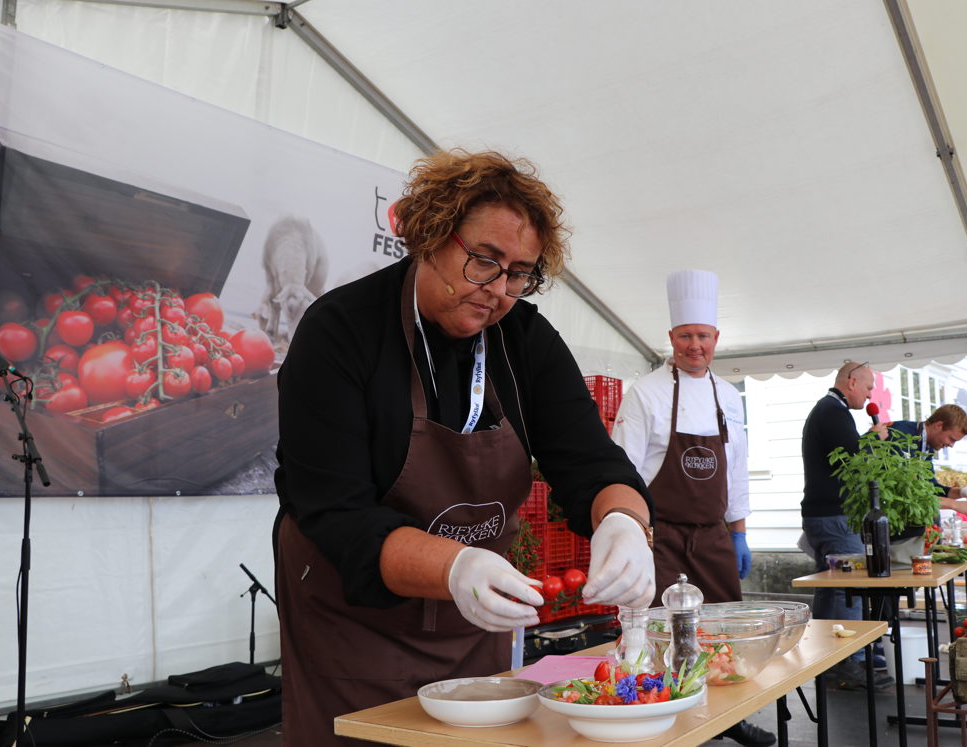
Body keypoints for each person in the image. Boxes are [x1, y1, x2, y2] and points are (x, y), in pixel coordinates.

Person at [272, 149, 656, 746]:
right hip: (354, 626)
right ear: (429, 234)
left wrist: (624, 522)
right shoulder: (341, 331)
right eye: (485, 261)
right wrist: (453, 565)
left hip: (473, 622)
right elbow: (336, 511)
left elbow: (592, 461)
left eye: (520, 272)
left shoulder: (523, 339)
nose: (499, 290)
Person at [612, 269, 775, 747]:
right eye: (685, 336)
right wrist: (632, 535)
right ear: (671, 337)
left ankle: (728, 717)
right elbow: (623, 471)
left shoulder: (728, 396)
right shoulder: (646, 392)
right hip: (659, 534)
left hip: (713, 535)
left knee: (722, 630)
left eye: (703, 336)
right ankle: (670, 722)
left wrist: (739, 532)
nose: (694, 345)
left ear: (716, 338)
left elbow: (737, 469)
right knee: (663, 634)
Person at [800, 361, 894, 690]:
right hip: (834, 516)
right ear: (851, 382)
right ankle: (847, 663)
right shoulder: (833, 412)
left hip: (823, 514)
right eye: (868, 387)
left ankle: (828, 661)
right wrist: (874, 439)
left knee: (831, 587)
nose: (870, 394)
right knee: (847, 586)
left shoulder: (829, 410)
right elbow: (852, 461)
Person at [888, 404, 967, 516]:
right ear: (939, 425)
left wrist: (962, 492)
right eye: (951, 439)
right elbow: (904, 491)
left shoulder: (927, 446)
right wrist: (954, 504)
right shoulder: (900, 434)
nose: (951, 445)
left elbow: (932, 488)